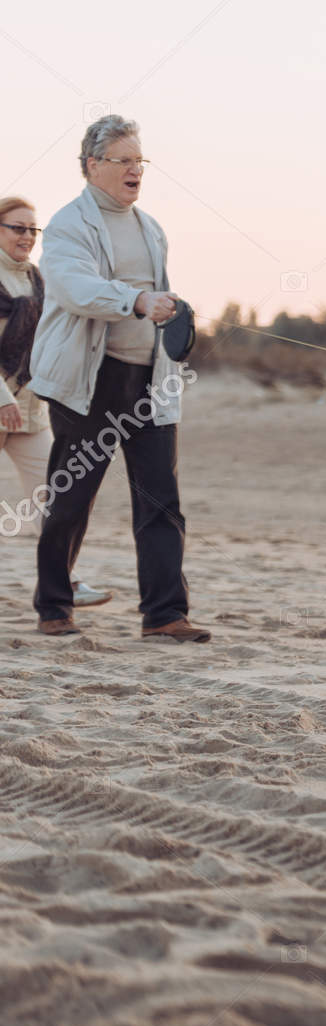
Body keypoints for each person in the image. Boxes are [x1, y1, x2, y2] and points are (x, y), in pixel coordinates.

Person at [27, 115, 207, 640]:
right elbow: (76, 288)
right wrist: (135, 299)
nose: (135, 171)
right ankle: (54, 606)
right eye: (123, 161)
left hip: (150, 381)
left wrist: (170, 308)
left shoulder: (152, 228)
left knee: (160, 499)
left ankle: (165, 614)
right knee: (72, 496)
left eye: (139, 161)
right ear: (92, 166)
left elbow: (156, 298)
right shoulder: (67, 225)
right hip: (88, 381)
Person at [0, 195, 112, 607]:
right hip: (2, 404)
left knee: (52, 495)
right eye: (17, 227)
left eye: (33, 229)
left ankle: (66, 581)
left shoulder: (39, 280)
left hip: (30, 409)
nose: (27, 236)